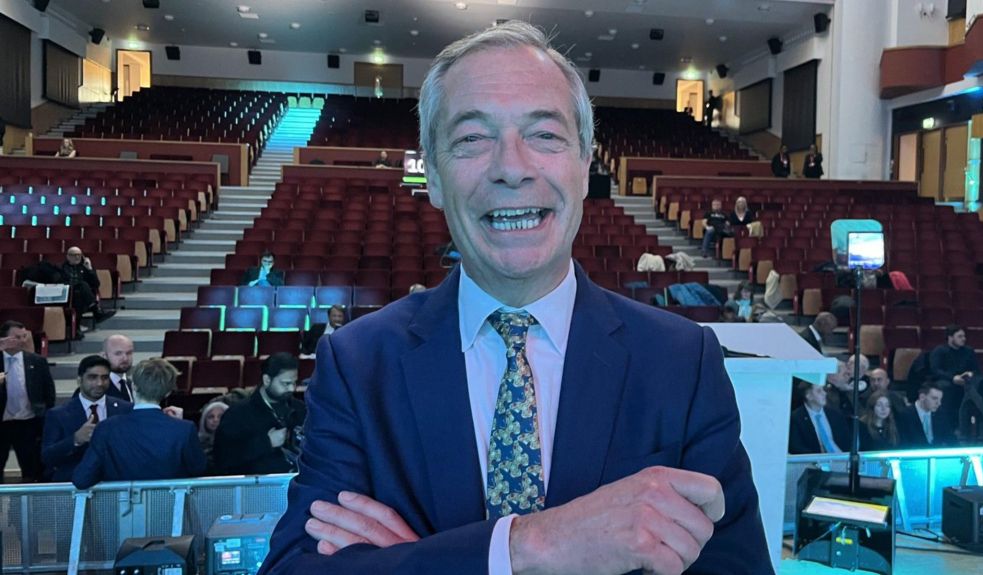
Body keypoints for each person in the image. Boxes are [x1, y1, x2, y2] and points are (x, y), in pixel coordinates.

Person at [260, 21, 771, 575]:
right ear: (431, 174)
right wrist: (528, 547)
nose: (511, 168)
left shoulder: (683, 361)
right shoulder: (358, 364)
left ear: (584, 166)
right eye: (472, 139)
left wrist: (415, 561)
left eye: (545, 135)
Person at [71, 359, 205, 489]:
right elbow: (199, 471)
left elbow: (82, 479)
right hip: (169, 508)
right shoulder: (184, 429)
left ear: (133, 386)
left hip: (121, 509)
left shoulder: (107, 428)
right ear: (168, 392)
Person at [40, 356, 132, 482]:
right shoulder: (58, 415)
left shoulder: (125, 409)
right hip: (74, 483)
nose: (99, 383)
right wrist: (76, 439)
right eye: (92, 377)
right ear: (79, 380)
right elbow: (47, 456)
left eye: (105, 378)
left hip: (115, 481)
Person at [213, 353, 305, 475]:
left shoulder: (301, 409)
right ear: (267, 380)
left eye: (294, 383)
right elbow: (223, 459)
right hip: (255, 489)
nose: (292, 389)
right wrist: (267, 443)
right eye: (285, 383)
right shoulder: (237, 414)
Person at [0, 320, 56, 482]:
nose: (23, 340)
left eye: (24, 336)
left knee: (31, 470)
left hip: (28, 423)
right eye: (16, 337)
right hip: (1, 422)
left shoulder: (37, 361)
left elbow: (48, 393)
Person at [928, 324, 983, 436]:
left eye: (964, 336)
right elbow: (935, 370)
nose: (964, 339)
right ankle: (947, 427)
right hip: (946, 381)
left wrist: (969, 374)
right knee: (945, 388)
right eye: (960, 336)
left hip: (965, 381)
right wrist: (953, 378)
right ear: (950, 337)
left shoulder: (968, 351)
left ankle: (972, 428)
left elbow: (976, 369)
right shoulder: (939, 351)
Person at [789, 381, 851, 454]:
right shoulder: (796, 418)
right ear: (808, 396)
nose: (824, 393)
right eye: (819, 391)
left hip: (840, 458)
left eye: (823, 390)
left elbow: (847, 441)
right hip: (814, 462)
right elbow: (797, 447)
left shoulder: (835, 415)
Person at [62, 246, 113, 326]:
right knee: (81, 286)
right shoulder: (62, 268)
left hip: (83, 297)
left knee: (82, 287)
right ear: (68, 256)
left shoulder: (85, 267)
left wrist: (89, 269)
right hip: (68, 295)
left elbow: (96, 284)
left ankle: (76, 328)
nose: (77, 257)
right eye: (74, 255)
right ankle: (96, 311)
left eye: (79, 255)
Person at [896, 382, 954, 447]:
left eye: (940, 399)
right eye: (935, 398)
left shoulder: (941, 414)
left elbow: (951, 439)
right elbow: (903, 442)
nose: (939, 403)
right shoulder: (905, 415)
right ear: (922, 397)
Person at [101, 334, 136, 403]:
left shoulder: (132, 385)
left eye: (129, 353)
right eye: (118, 353)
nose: (125, 358)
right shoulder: (97, 387)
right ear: (104, 356)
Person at [198, 400, 229, 469]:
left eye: (220, 416)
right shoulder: (196, 443)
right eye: (211, 417)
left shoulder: (237, 443)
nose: (215, 420)